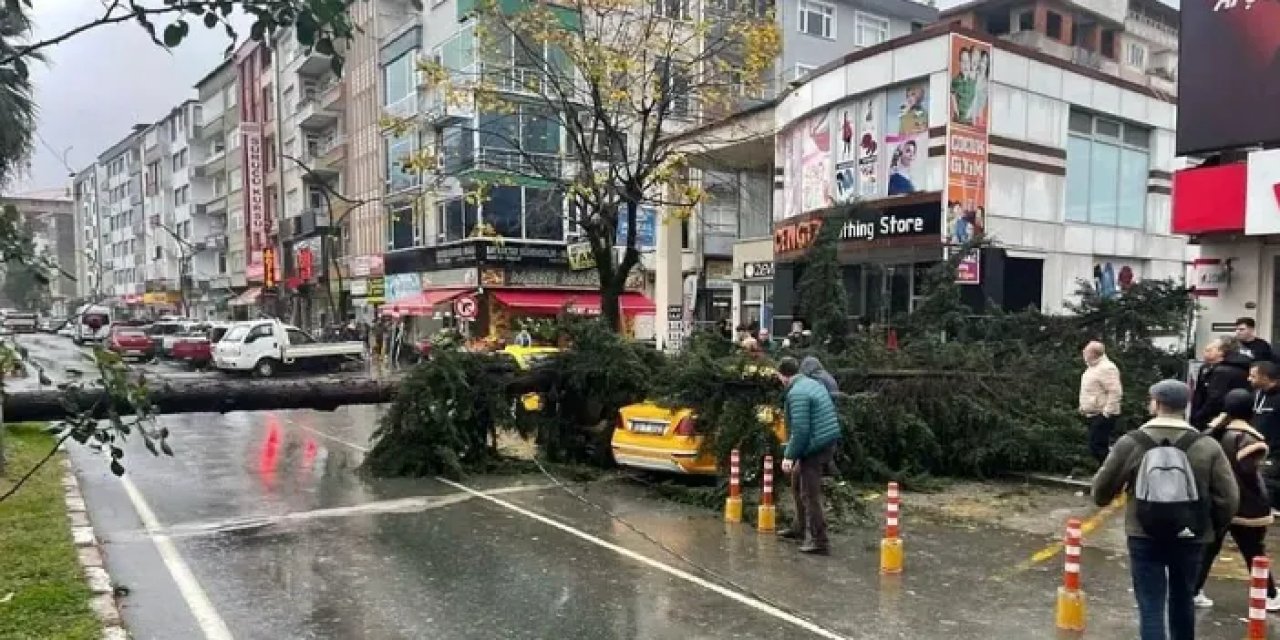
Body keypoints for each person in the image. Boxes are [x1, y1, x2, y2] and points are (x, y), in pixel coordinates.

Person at [1092, 380, 1239, 640]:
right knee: (1183, 599)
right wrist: (1210, 528)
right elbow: (1229, 498)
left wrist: (1109, 497)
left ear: (1157, 404)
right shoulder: (1207, 445)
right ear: (1186, 405)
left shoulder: (1131, 442)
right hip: (1191, 534)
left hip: (1143, 533)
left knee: (1150, 604)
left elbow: (1101, 490)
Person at [1192, 389, 1279, 610]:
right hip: (1246, 505)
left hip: (1216, 502)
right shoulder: (1249, 439)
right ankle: (1269, 594)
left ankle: (1193, 590)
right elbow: (1248, 474)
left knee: (1208, 549)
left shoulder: (1213, 433)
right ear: (1251, 410)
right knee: (1253, 551)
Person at [776, 357, 842, 555]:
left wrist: (789, 456)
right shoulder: (811, 383)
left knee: (809, 493)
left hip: (817, 446)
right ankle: (799, 527)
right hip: (826, 439)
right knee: (796, 481)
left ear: (783, 376)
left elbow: (801, 430)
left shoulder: (797, 393)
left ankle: (820, 541)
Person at [1191, 337, 1253, 429]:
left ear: (1221, 352)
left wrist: (1198, 417)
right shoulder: (1207, 368)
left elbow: (1214, 399)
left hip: (1215, 422)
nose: (1208, 348)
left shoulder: (1223, 371)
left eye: (1213, 347)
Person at [1079, 341, 1123, 463]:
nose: (1083, 353)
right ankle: (1107, 470)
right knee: (1095, 446)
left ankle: (1112, 470)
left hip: (1103, 414)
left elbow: (1115, 392)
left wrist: (1107, 413)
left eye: (1086, 351)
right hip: (1092, 414)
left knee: (1098, 447)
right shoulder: (1092, 368)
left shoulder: (1107, 368)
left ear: (1093, 353)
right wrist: (1084, 406)